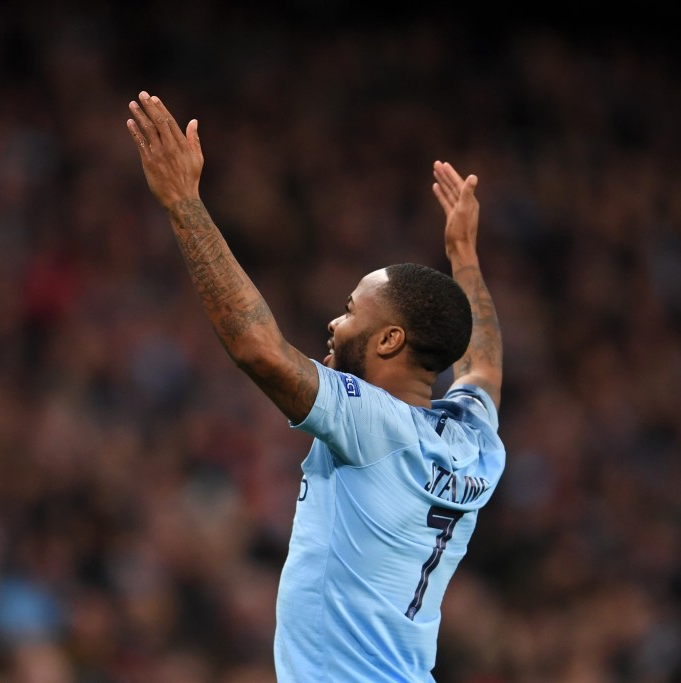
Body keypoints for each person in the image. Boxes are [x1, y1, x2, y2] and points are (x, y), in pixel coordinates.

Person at [126, 92, 506, 682]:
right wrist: (464, 258)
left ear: (389, 340)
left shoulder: (374, 423)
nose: (335, 321)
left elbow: (258, 348)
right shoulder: (473, 436)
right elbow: (483, 368)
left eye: (351, 310)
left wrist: (183, 203)